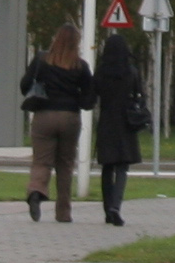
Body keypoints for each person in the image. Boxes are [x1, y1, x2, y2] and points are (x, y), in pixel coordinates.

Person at [21, 24, 93, 222]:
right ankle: (63, 212)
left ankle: (36, 191)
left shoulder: (41, 60)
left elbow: (24, 85)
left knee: (41, 160)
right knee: (65, 164)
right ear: (76, 43)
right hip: (70, 117)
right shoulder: (81, 66)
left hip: (44, 115)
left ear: (56, 39)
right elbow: (89, 100)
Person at [91, 29, 152, 226]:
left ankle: (107, 208)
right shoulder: (131, 72)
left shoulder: (101, 72)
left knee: (107, 167)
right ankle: (116, 206)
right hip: (126, 123)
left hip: (107, 122)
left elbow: (92, 96)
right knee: (122, 167)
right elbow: (139, 95)